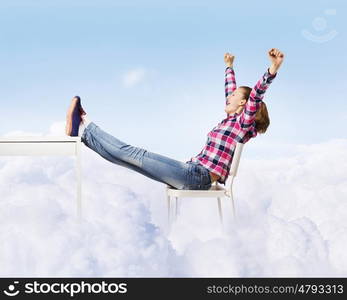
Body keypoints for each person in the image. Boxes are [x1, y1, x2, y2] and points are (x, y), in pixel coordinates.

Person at [65, 48, 284, 190]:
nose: (230, 96)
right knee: (125, 159)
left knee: (134, 154)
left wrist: (272, 69)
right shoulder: (230, 120)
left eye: (235, 96)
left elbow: (255, 94)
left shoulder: (242, 123)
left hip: (197, 176)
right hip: (193, 172)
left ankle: (85, 123)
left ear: (244, 105)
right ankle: (83, 133)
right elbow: (231, 91)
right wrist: (229, 67)